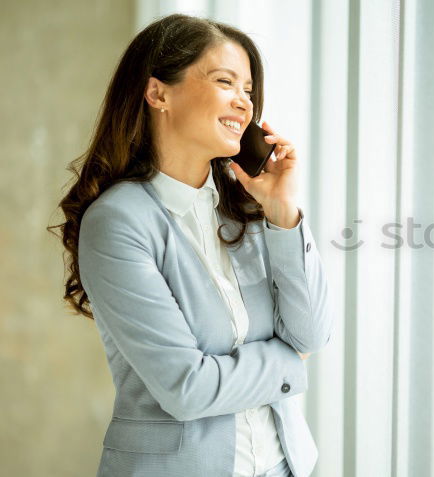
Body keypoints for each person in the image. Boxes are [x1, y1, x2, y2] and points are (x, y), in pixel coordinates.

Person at [48, 13, 333, 477]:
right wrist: (287, 360)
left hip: (285, 466)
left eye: (249, 90)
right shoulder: (118, 222)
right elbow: (187, 387)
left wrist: (284, 213)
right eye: (226, 82)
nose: (244, 103)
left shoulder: (246, 209)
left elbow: (311, 334)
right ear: (158, 93)